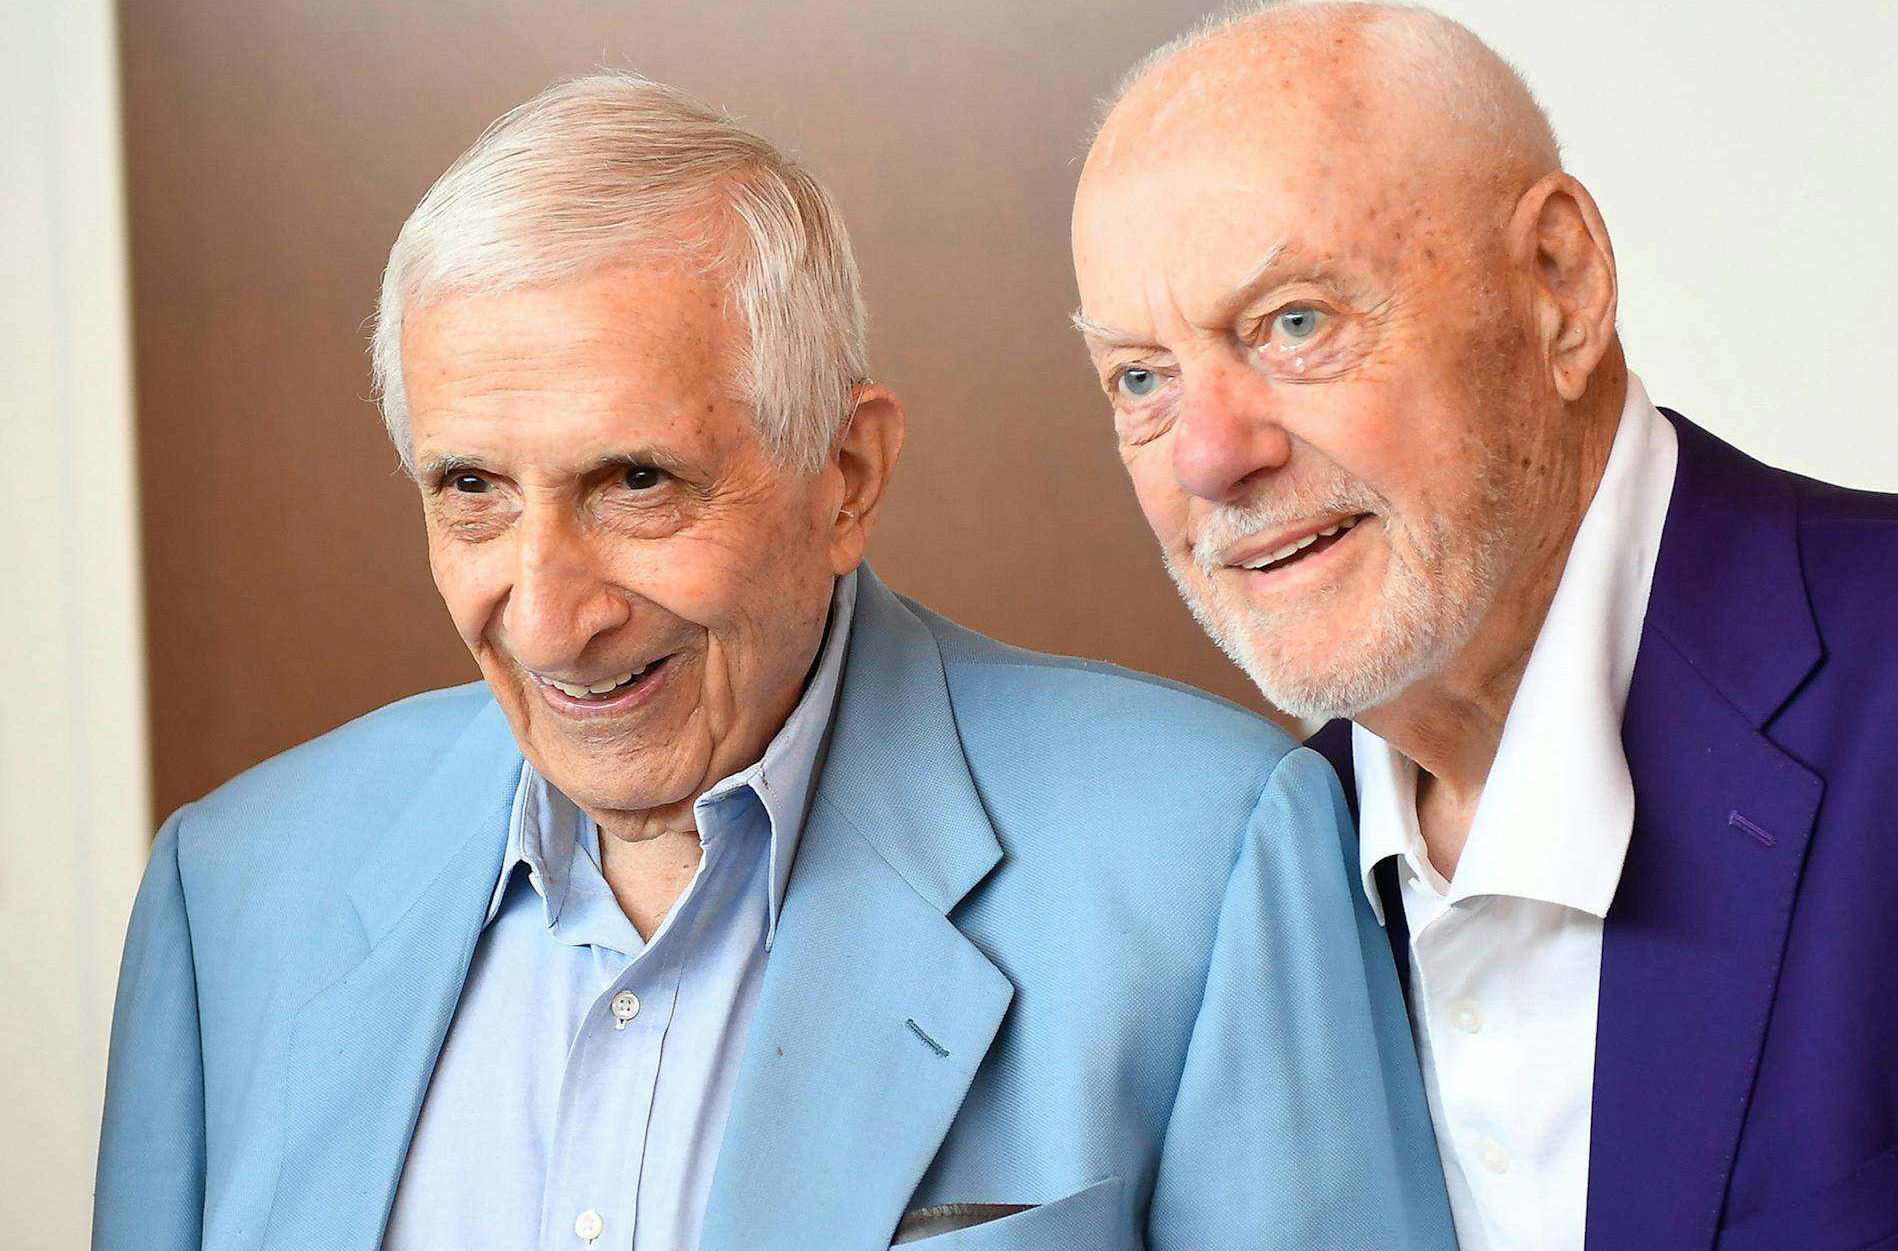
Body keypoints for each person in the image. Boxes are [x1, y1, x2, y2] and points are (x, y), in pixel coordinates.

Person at [94, 72, 1448, 1251]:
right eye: (471, 489)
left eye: (634, 481)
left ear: (846, 474)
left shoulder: (1201, 858)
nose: (551, 616)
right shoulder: (231, 897)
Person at [1070, 0, 1898, 1250]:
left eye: (1295, 322)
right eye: (1142, 378)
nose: (1209, 457)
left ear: (1561, 286)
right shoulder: (1252, 867)